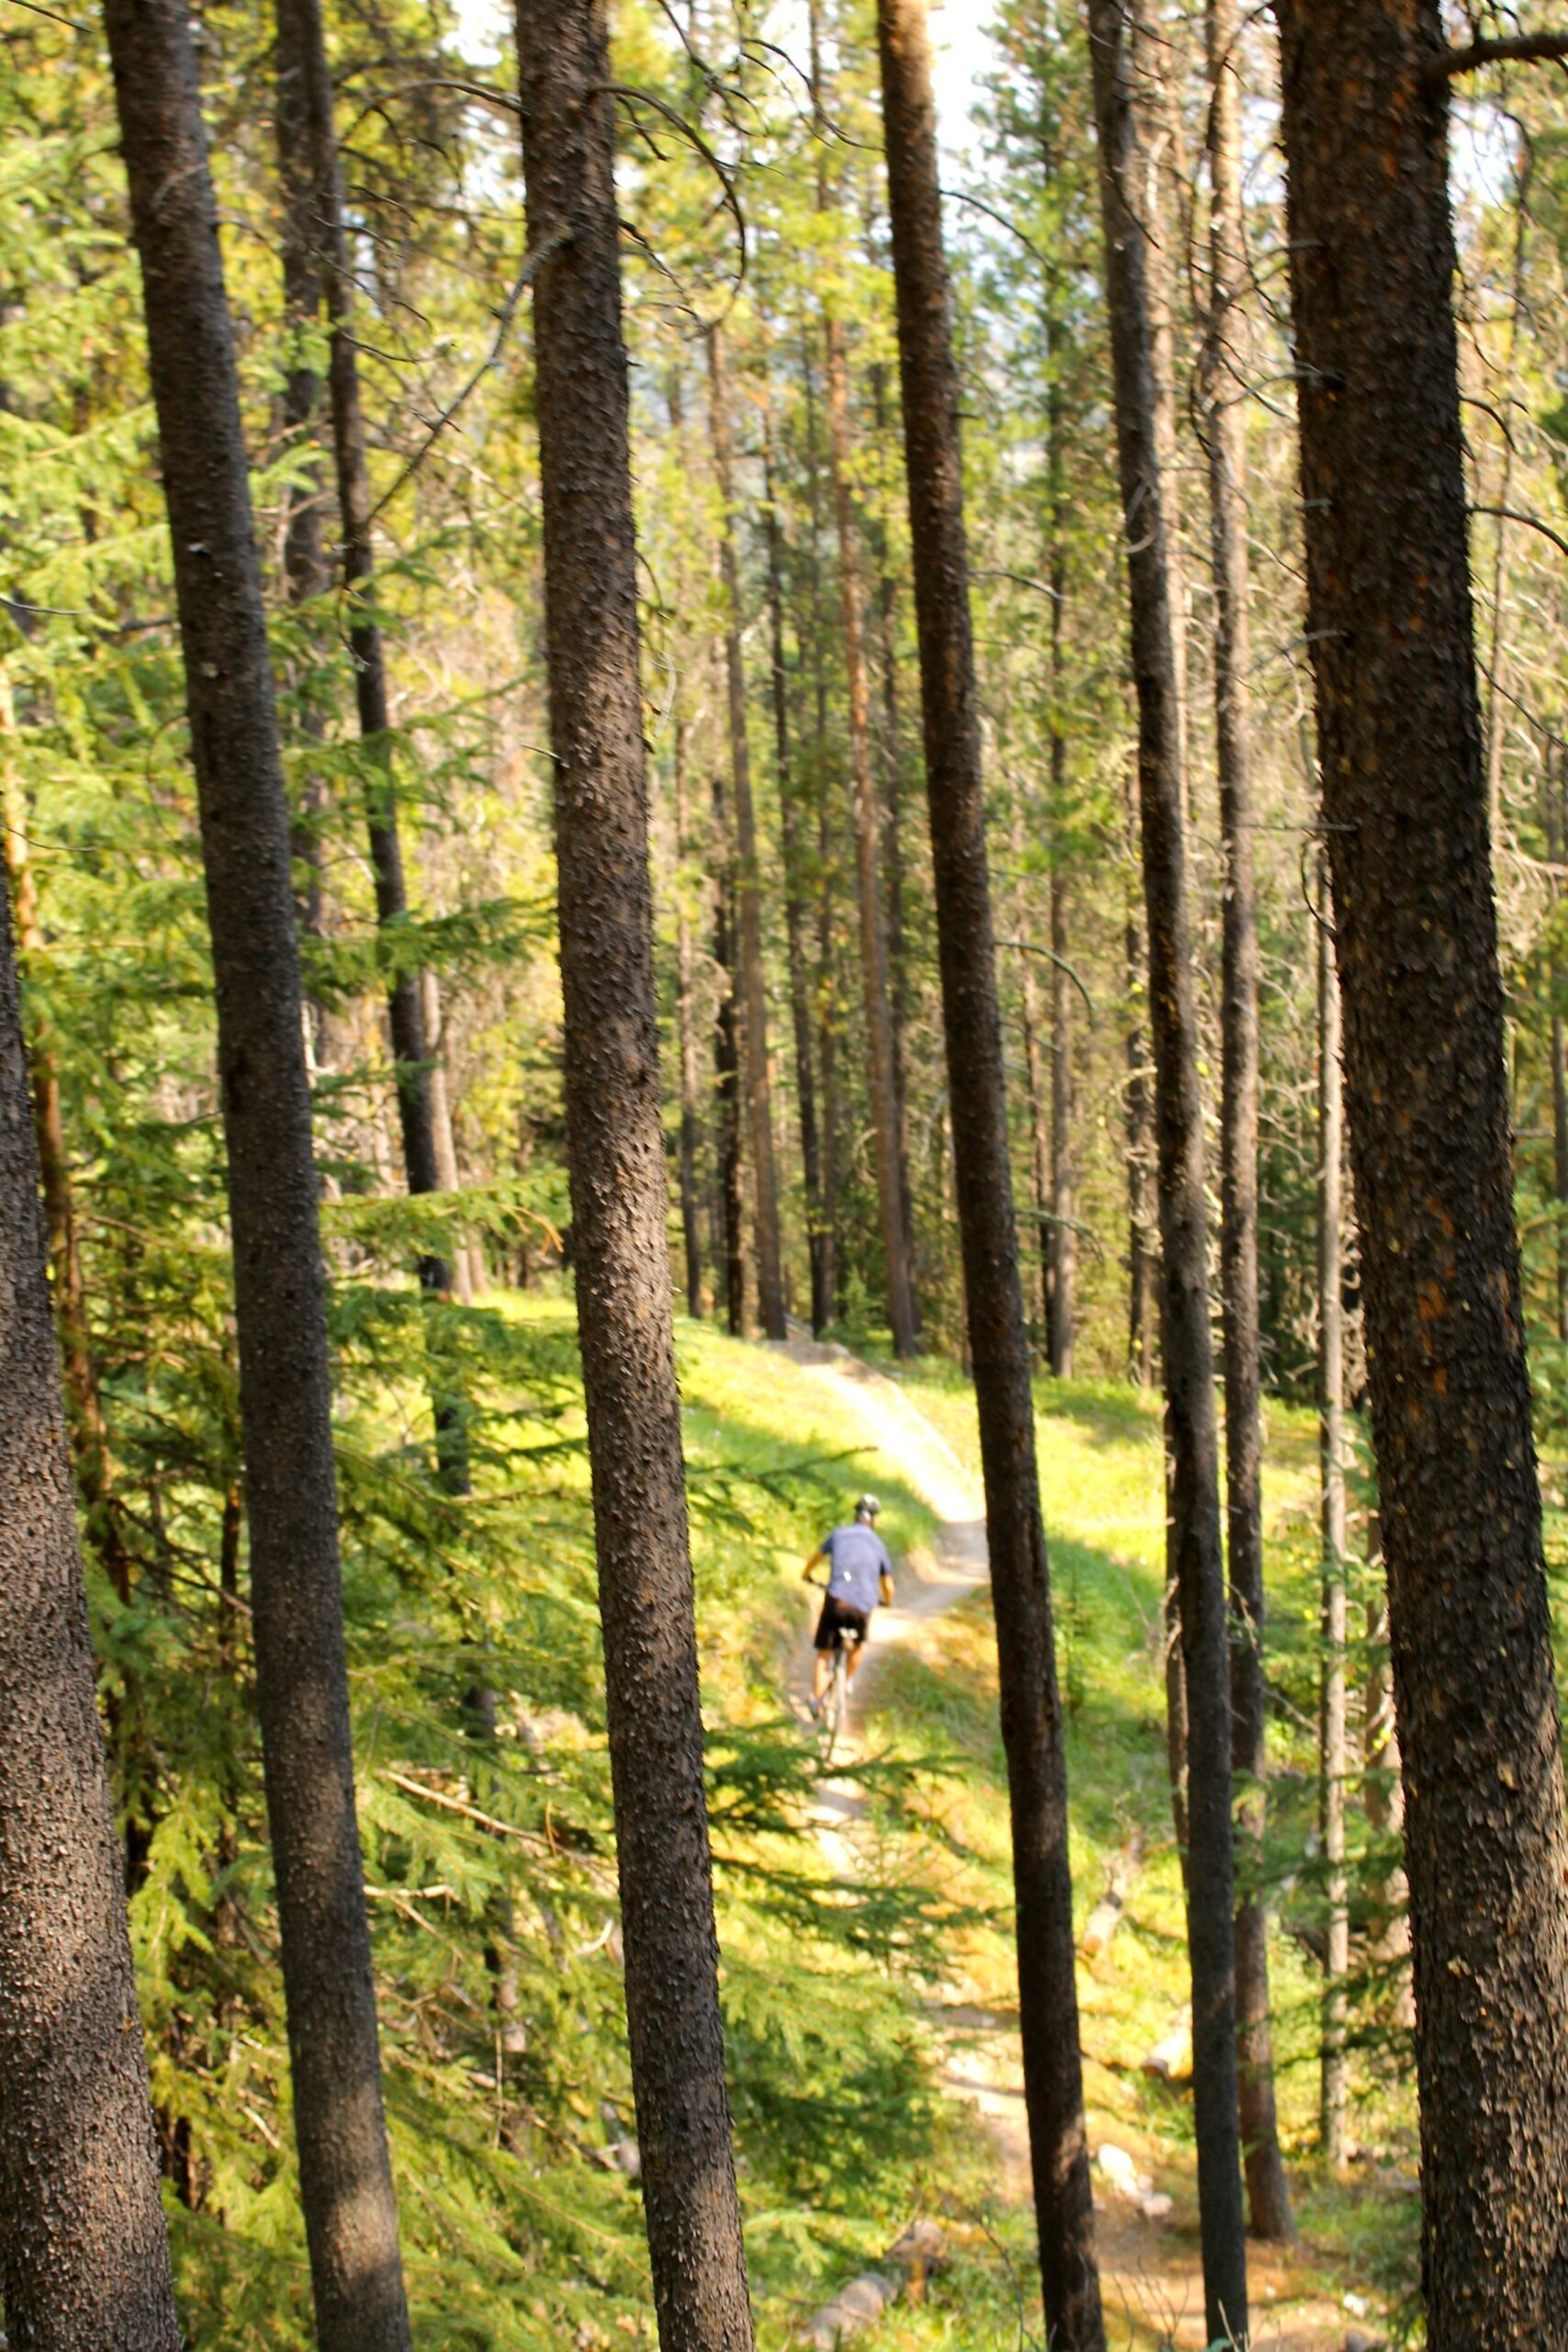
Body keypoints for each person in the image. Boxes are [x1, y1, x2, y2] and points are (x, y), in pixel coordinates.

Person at [803, 1494, 895, 1717]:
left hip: (836, 1599)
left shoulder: (839, 1534)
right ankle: (848, 1681)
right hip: (863, 1605)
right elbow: (888, 1585)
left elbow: (816, 1558)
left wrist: (806, 1575)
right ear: (874, 1520)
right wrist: (887, 1601)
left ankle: (817, 1702)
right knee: (858, 1645)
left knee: (824, 1652)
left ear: (855, 1515)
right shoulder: (879, 1545)